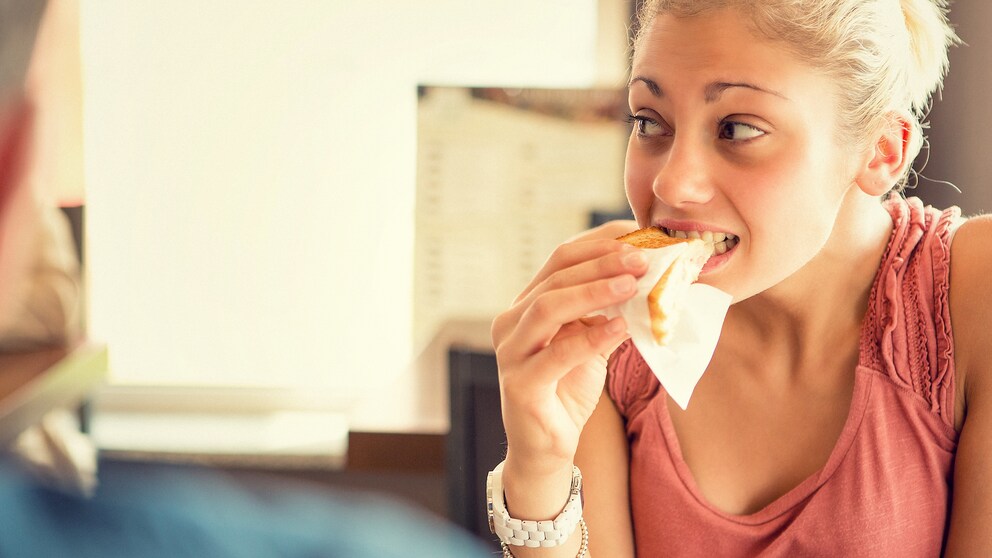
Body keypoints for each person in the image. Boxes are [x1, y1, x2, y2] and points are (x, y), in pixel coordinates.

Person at [490, 1, 990, 556]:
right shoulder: (616, 314)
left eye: (737, 128)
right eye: (649, 122)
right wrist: (539, 467)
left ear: (880, 152)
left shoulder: (972, 291)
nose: (671, 185)